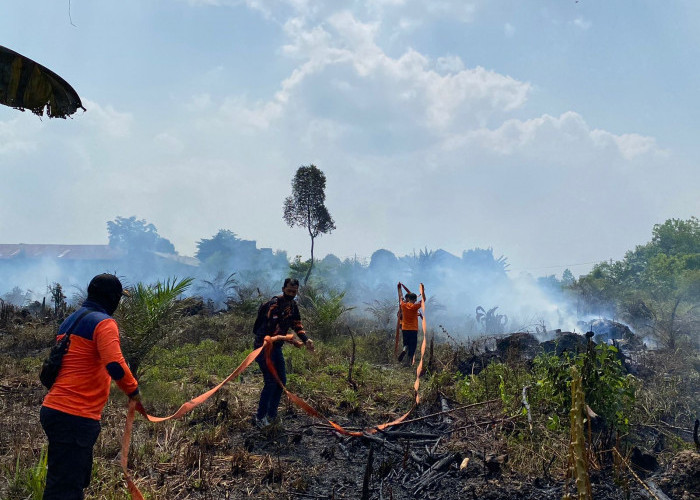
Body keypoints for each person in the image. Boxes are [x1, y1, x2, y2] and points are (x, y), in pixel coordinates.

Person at [40, 274, 140, 500]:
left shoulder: (71, 320)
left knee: (70, 480)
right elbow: (115, 365)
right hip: (73, 416)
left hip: (56, 411)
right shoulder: (104, 323)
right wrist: (133, 390)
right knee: (65, 489)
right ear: (113, 298)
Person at [253, 278, 314, 427]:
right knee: (271, 382)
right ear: (283, 289)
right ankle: (260, 418)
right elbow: (270, 331)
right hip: (263, 347)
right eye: (289, 291)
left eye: (294, 292)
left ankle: (271, 415)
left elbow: (296, 324)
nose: (292, 294)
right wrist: (291, 340)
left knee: (282, 382)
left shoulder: (293, 306)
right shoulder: (273, 305)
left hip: (277, 348)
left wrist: (306, 340)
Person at [397, 291, 422, 364]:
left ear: (408, 298)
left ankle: (404, 349)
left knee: (406, 343)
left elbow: (401, 298)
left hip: (405, 328)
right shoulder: (415, 306)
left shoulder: (403, 305)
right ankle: (409, 362)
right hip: (413, 329)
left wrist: (401, 296)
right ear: (415, 300)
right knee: (412, 346)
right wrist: (422, 292)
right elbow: (423, 300)